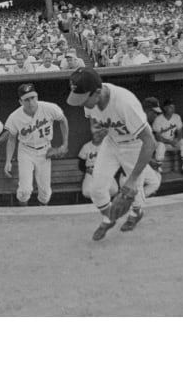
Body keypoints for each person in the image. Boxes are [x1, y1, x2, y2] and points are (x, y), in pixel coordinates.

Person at [66, 66, 160, 239]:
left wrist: (131, 180)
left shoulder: (125, 103)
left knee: (133, 189)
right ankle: (110, 218)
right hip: (111, 142)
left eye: (83, 98)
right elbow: (94, 119)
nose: (81, 103)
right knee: (96, 189)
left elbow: (150, 142)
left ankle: (135, 214)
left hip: (134, 144)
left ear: (98, 91)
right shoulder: (90, 100)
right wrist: (98, 129)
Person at [3, 82, 67, 206]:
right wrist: (8, 161)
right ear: (20, 101)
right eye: (26, 99)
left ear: (37, 96)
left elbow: (63, 120)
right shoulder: (14, 116)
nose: (31, 102)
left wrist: (65, 144)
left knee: (45, 192)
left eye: (33, 98)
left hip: (45, 149)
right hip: (26, 151)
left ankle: (42, 215)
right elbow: (11, 139)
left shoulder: (49, 108)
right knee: (25, 190)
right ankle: (24, 213)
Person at [148, 98, 183, 174]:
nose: (173, 109)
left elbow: (180, 132)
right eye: (171, 107)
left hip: (172, 141)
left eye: (174, 107)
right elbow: (158, 137)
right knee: (160, 146)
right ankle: (158, 169)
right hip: (162, 142)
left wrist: (177, 139)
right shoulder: (158, 119)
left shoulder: (177, 117)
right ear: (165, 108)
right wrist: (169, 142)